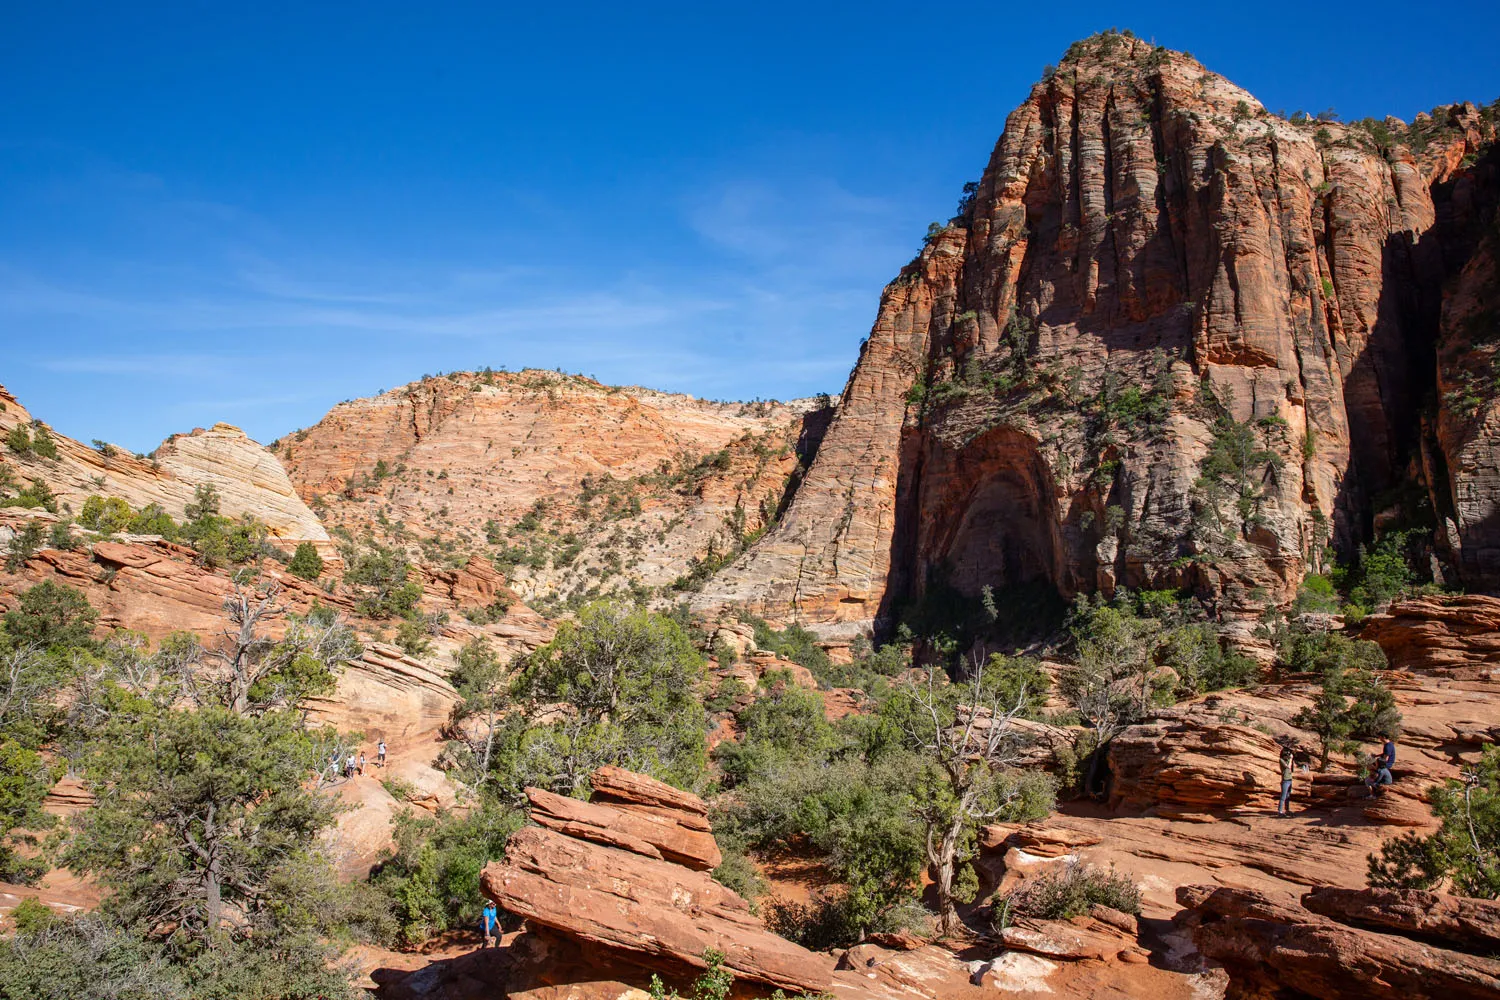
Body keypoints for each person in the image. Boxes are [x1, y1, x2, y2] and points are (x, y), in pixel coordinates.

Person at [1277, 747, 1295, 816]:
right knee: (1283, 796)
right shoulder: (1281, 760)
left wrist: (1291, 759)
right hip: (1285, 780)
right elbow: (1288, 767)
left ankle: (1287, 810)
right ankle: (1280, 811)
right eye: (1287, 754)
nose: (1287, 756)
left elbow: (1292, 769)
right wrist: (1291, 759)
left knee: (1288, 796)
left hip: (1289, 780)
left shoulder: (1287, 760)